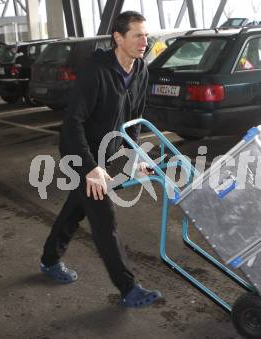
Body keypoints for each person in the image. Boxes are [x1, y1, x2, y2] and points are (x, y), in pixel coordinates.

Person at [39, 11, 163, 308]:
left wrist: (135, 158)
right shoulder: (95, 71)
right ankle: (128, 288)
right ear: (118, 38)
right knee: (103, 217)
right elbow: (72, 124)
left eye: (146, 35)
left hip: (108, 153)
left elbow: (133, 121)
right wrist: (90, 167)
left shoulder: (141, 70)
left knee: (76, 207)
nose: (144, 41)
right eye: (137, 35)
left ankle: (49, 259)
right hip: (80, 153)